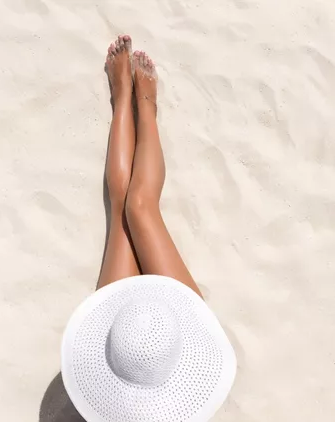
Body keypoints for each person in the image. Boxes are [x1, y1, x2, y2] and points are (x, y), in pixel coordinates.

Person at [59, 36, 236, 422]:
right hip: (173, 336)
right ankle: (144, 107)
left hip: (122, 346)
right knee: (138, 207)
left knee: (129, 205)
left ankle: (125, 96)